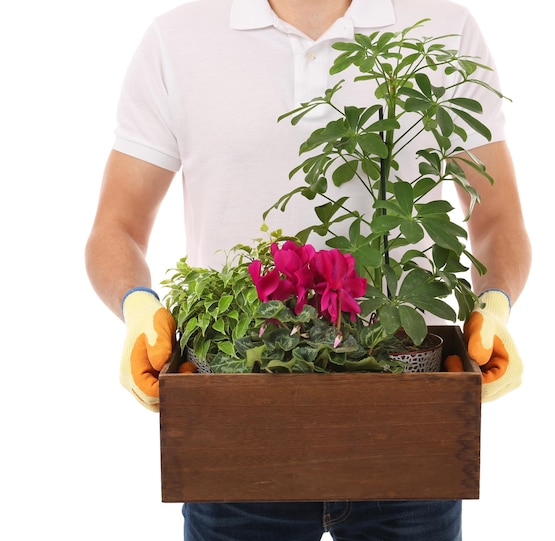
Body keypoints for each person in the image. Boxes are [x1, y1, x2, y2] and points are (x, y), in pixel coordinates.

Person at [85, 0, 532, 539]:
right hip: (237, 429)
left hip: (406, 421)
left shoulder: (444, 28)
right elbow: (116, 226)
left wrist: (494, 306)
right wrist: (139, 307)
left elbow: (497, 217)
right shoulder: (175, 39)